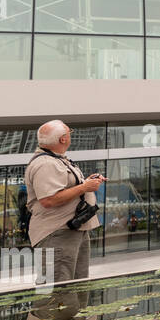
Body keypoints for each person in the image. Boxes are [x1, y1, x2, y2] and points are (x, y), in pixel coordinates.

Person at [24, 120, 105, 285]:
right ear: (62, 139)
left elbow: (64, 189)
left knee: (77, 284)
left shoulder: (56, 159)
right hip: (58, 232)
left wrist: (86, 184)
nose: (70, 136)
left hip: (71, 229)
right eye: (69, 133)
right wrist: (84, 187)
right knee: (58, 289)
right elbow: (48, 200)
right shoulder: (45, 163)